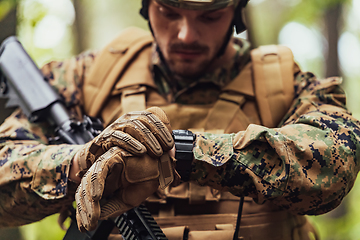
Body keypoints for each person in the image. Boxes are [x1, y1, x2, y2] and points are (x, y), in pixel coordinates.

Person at [0, 0, 360, 239]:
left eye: (209, 16)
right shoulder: (84, 78)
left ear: (236, 11)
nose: (186, 34)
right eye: (169, 11)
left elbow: (335, 163)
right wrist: (82, 161)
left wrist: (183, 154)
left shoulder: (283, 83)